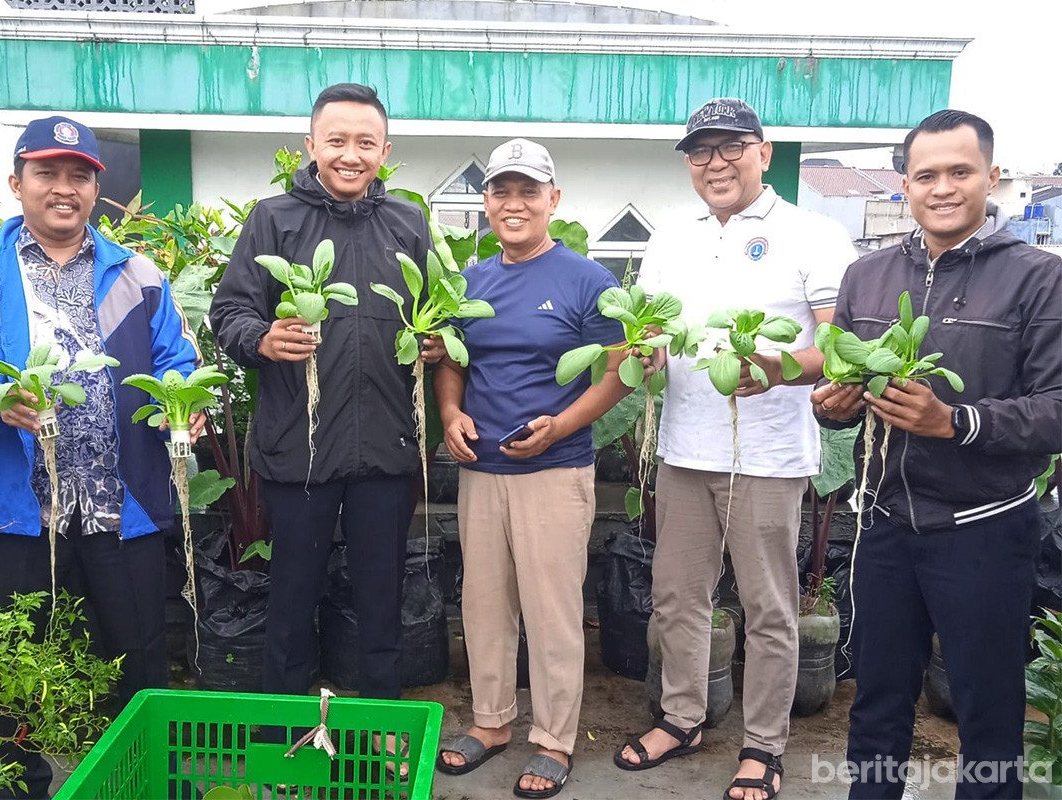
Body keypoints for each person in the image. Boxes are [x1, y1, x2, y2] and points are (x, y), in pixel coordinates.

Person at [0, 115, 204, 799]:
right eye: (47, 173)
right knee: (11, 665)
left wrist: (183, 399)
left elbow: (178, 357)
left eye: (79, 176)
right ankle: (20, 788)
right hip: (13, 512)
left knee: (138, 658)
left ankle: (149, 782)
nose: (64, 188)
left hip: (119, 505)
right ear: (17, 183)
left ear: (96, 190)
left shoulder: (138, 274)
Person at [812, 109, 1062, 800]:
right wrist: (835, 407)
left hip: (984, 528)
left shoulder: (1039, 278)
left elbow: (1056, 407)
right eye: (926, 175)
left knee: (989, 712)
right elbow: (845, 388)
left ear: (992, 176)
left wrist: (955, 422)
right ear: (905, 184)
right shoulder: (867, 276)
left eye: (960, 171)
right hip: (885, 525)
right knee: (876, 701)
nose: (943, 188)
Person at [613, 98, 856, 800]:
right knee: (676, 598)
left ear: (763, 152)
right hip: (685, 451)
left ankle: (764, 745)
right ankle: (682, 717)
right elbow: (652, 331)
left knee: (769, 608)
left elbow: (839, 344)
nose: (714, 163)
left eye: (731, 148)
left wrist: (780, 368)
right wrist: (645, 354)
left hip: (768, 458)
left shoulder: (812, 234)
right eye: (700, 151)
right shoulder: (670, 239)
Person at [209, 84, 436, 762]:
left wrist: (434, 340)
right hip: (298, 449)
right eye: (336, 140)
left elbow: (437, 310)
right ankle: (281, 734)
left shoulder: (408, 222)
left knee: (380, 597)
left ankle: (379, 729)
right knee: (291, 598)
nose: (350, 154)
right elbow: (229, 312)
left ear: (385, 152)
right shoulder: (273, 219)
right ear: (311, 146)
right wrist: (262, 338)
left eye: (365, 142)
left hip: (386, 448)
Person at [433, 138, 628, 799]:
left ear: (553, 200)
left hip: (555, 471)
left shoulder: (588, 280)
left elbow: (619, 370)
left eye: (528, 191)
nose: (513, 204)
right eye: (501, 191)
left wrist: (561, 427)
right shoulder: (470, 282)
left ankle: (552, 739)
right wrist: (450, 412)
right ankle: (491, 723)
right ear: (486, 202)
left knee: (551, 612)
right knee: (484, 605)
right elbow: (452, 359)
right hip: (482, 469)